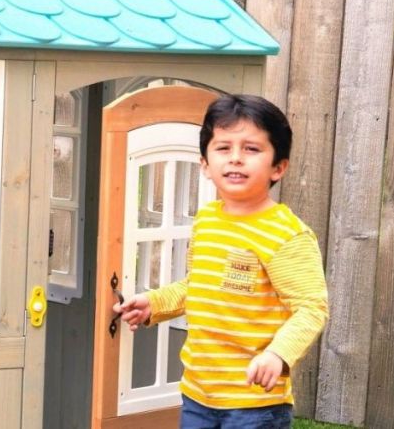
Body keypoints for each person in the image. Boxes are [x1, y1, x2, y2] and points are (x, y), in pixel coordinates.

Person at [114, 94, 328, 428]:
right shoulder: (208, 220)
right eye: (223, 148)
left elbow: (311, 308)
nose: (236, 159)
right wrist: (154, 303)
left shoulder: (287, 235)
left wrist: (278, 354)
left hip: (254, 403)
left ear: (279, 167)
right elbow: (199, 285)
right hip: (198, 393)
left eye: (252, 149)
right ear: (205, 164)